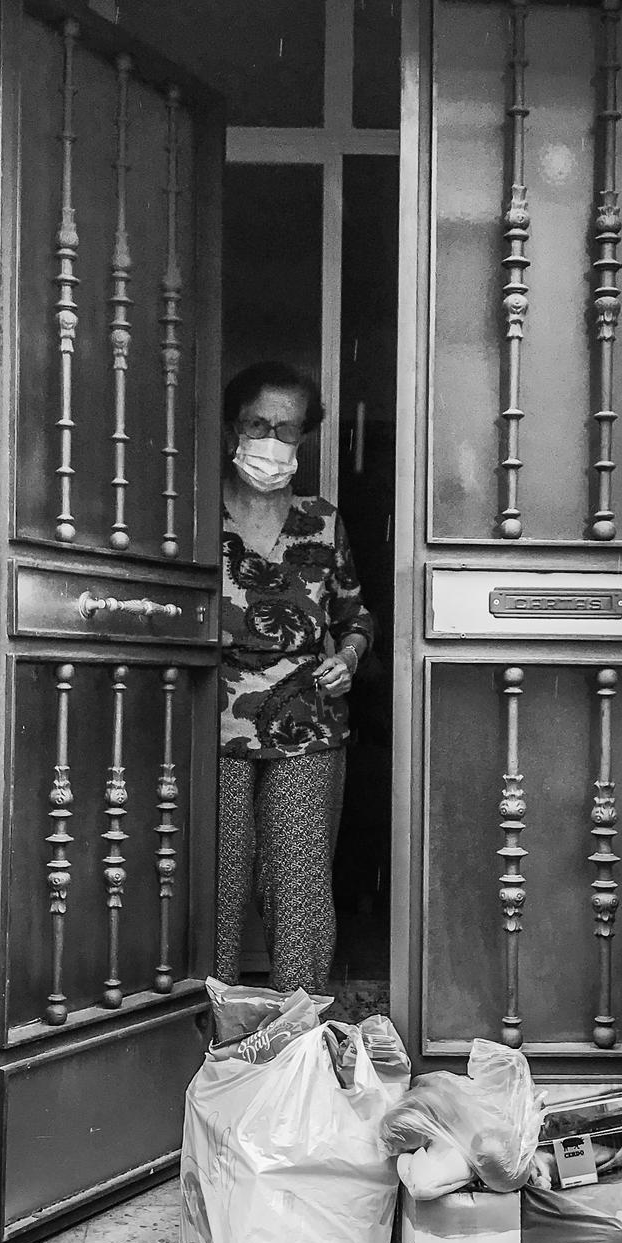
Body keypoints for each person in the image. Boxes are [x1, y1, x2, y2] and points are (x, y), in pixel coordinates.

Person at [215, 360, 375, 994]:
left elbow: (356, 614)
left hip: (307, 728)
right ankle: (206, 1035)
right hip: (211, 726)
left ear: (305, 438)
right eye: (259, 423)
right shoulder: (197, 513)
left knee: (298, 884)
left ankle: (297, 1036)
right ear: (233, 428)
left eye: (287, 428)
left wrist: (351, 656)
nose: (272, 440)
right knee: (215, 884)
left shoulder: (323, 520)